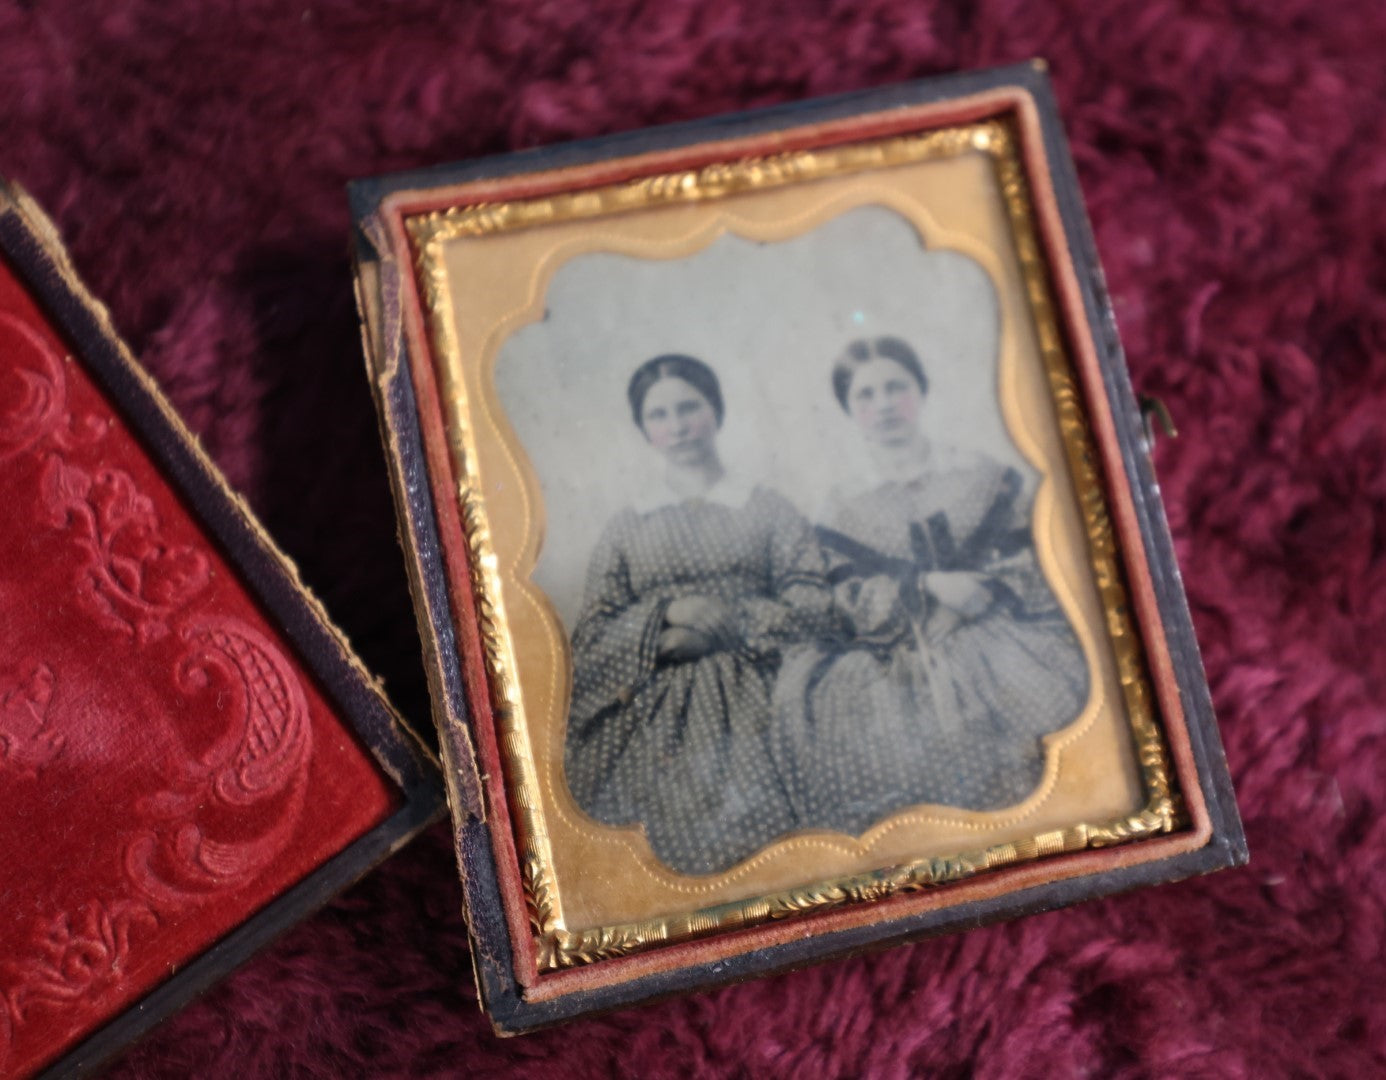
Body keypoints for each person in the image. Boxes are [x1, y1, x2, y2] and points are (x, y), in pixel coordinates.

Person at [772, 336, 1090, 835]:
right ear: (849, 410)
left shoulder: (984, 476)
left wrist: (980, 591)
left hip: (999, 635)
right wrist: (924, 589)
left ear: (920, 392)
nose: (883, 406)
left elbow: (1038, 555)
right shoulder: (841, 507)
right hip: (896, 657)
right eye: (865, 396)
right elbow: (842, 599)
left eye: (895, 387)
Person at [564, 354, 833, 875]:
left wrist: (722, 625)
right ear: (644, 429)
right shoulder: (626, 526)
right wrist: (665, 621)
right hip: (649, 699)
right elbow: (593, 632)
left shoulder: (766, 507)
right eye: (659, 415)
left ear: (716, 411)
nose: (678, 425)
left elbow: (814, 602)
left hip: (765, 683)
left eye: (690, 408)